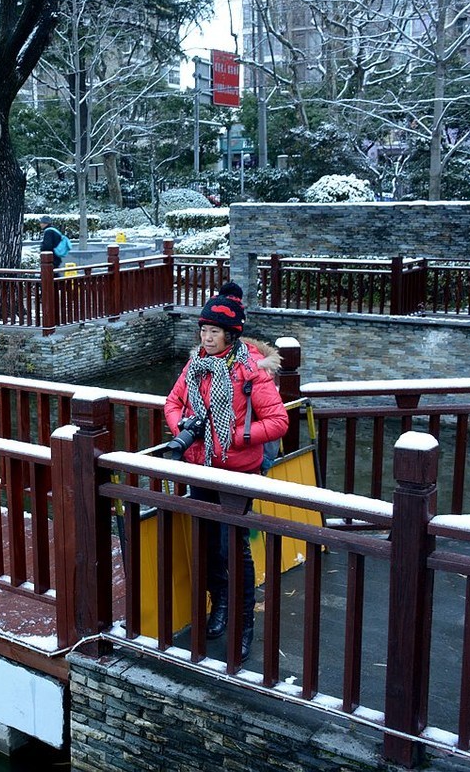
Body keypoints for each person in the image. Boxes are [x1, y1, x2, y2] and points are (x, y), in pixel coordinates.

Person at [163, 281, 289, 661]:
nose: (207, 337)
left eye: (214, 331)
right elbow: (171, 402)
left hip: (236, 471)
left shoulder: (250, 372)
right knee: (207, 544)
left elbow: (279, 421)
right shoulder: (196, 365)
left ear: (231, 334)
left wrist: (236, 435)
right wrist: (184, 427)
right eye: (203, 330)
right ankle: (219, 607)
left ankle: (244, 622)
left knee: (234, 548)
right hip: (200, 467)